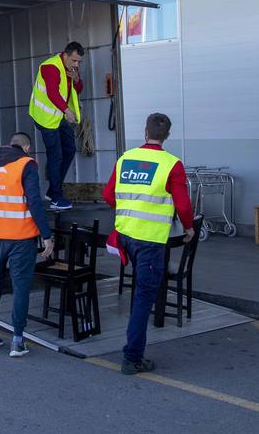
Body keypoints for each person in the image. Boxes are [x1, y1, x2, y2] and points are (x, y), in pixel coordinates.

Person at [102, 112, 194, 375]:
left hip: (126, 235)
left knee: (139, 292)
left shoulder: (125, 158)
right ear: (166, 136)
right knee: (143, 296)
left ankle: (134, 347)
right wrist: (188, 228)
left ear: (145, 133)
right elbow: (183, 205)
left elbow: (109, 195)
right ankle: (132, 357)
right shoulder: (172, 164)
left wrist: (130, 209)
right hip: (151, 240)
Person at [0, 132, 54, 358]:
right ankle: (18, 341)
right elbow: (34, 201)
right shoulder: (26, 165)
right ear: (27, 147)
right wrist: (47, 235)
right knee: (20, 286)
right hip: (20, 237)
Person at [29, 41, 85, 211]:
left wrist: (77, 79)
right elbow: (52, 93)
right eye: (74, 60)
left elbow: (78, 90)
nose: (76, 64)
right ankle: (56, 198)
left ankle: (53, 190)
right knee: (56, 155)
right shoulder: (50, 67)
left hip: (57, 116)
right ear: (65, 54)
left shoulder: (70, 68)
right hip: (45, 117)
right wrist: (67, 111)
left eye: (79, 62)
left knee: (69, 149)